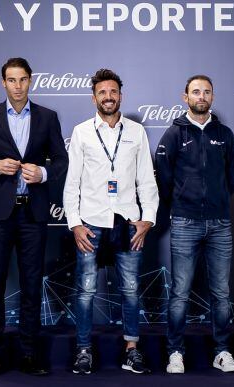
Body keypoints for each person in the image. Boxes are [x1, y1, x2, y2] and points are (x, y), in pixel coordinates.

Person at [0, 57, 68, 377]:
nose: (17, 86)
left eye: (23, 79)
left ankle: (28, 353)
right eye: (11, 80)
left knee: (30, 287)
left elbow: (62, 161)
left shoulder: (48, 117)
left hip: (33, 213)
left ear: (30, 80)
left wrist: (43, 171)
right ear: (3, 83)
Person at [63, 69, 158, 375]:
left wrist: (148, 219)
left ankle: (131, 350)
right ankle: (83, 350)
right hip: (90, 223)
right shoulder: (81, 132)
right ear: (94, 97)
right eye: (102, 92)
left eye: (113, 92)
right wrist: (75, 223)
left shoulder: (136, 132)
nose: (108, 97)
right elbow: (72, 183)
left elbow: (147, 180)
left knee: (130, 290)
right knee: (86, 290)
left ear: (121, 95)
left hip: (128, 223)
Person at [155, 75, 234, 374]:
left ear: (213, 97)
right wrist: (182, 203)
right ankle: (175, 352)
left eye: (206, 92)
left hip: (219, 223)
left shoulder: (225, 134)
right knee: (180, 291)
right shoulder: (173, 134)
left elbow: (231, 178)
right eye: (195, 92)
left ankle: (222, 352)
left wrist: (215, 201)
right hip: (184, 222)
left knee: (221, 293)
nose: (201, 96)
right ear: (185, 96)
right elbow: (164, 179)